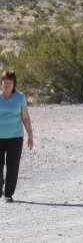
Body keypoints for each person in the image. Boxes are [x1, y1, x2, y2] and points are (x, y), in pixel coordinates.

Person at [0, 71, 33, 203]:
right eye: (5, 81)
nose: (7, 84)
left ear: (14, 84)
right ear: (1, 83)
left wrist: (31, 137)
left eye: (10, 82)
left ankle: (8, 193)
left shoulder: (20, 97)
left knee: (13, 165)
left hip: (15, 137)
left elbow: (25, 117)